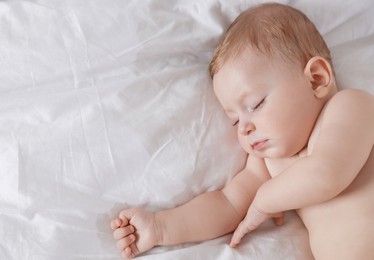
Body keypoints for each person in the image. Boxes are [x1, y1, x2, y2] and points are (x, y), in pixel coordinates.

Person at [111, 3, 374, 259]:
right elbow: (228, 204)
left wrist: (264, 201)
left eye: (255, 104)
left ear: (316, 79)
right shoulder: (269, 163)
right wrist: (161, 227)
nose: (245, 128)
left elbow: (326, 174)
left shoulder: (351, 106)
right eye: (235, 120)